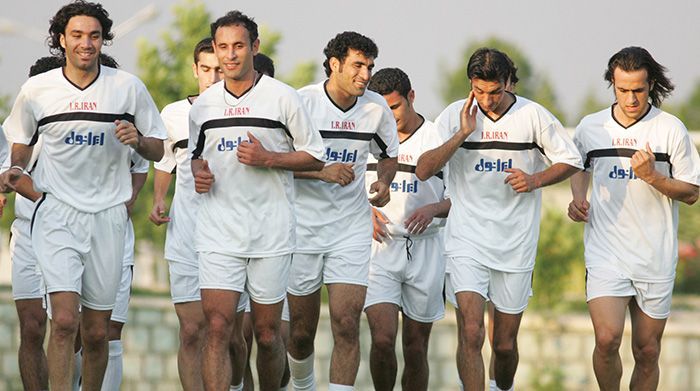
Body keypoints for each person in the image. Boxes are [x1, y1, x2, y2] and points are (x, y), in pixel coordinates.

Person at [0, 1, 166, 389]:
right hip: (56, 213)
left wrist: (138, 141)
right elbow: (20, 142)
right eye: (77, 35)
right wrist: (17, 170)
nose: (86, 43)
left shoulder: (127, 87)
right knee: (63, 321)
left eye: (93, 35)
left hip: (107, 216)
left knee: (95, 332)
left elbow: (158, 150)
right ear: (62, 39)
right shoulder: (37, 89)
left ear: (103, 39)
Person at [415, 47, 582, 391]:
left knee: (503, 346)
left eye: (495, 92)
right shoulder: (453, 116)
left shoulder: (534, 116)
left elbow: (572, 160)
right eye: (479, 91)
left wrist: (536, 180)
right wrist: (462, 133)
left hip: (515, 243)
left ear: (509, 83)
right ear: (470, 85)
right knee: (472, 332)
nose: (487, 101)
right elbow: (423, 169)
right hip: (466, 239)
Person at [189, 10, 325, 391]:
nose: (230, 55)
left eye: (238, 46)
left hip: (271, 232)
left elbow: (316, 155)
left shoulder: (283, 98)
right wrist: (200, 174)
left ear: (254, 47)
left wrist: (270, 159)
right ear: (214, 51)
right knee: (217, 328)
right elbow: (197, 157)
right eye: (223, 47)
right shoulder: (203, 107)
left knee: (266, 334)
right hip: (219, 231)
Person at [568, 46, 700, 391]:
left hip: (655, 255)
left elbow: (691, 193)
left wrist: (653, 177)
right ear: (612, 84)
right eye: (623, 89)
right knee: (607, 339)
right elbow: (579, 166)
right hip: (606, 253)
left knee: (647, 351)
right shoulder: (590, 127)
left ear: (650, 84)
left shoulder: (670, 129)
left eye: (638, 90)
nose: (630, 98)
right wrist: (578, 198)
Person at [289, 31, 399, 391]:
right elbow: (276, 163)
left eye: (369, 66)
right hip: (301, 228)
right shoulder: (301, 102)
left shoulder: (376, 107)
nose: (365, 75)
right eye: (357, 65)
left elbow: (388, 156)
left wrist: (383, 183)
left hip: (350, 228)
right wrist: (322, 171)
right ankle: (302, 386)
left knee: (347, 323)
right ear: (334, 64)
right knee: (302, 332)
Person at [148, 37, 243, 391]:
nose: (213, 76)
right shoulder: (172, 113)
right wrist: (160, 199)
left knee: (229, 332)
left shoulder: (242, 110)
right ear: (195, 70)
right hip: (187, 234)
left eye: (219, 68)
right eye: (206, 69)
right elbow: (165, 160)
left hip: (233, 234)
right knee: (191, 331)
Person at [364, 67, 450, 391]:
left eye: (395, 107)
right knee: (383, 340)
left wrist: (434, 208)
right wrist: (364, 213)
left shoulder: (437, 137)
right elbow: (344, 190)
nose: (390, 116)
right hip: (379, 248)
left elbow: (462, 198)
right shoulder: (367, 134)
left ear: (411, 97)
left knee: (415, 349)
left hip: (425, 249)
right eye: (382, 109)